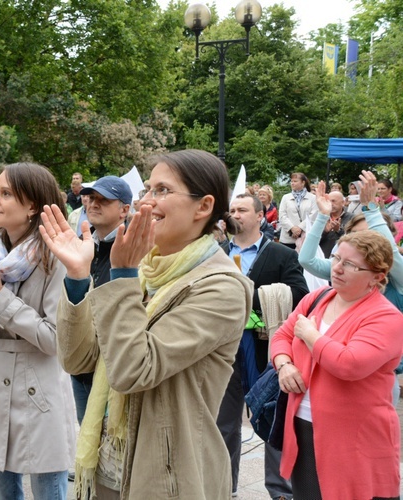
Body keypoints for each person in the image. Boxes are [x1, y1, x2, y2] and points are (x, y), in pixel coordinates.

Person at [41, 149, 253, 499]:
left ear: (203, 207)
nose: (147, 203)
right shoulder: (147, 269)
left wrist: (122, 274)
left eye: (163, 191)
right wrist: (78, 278)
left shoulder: (222, 286)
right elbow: (78, 359)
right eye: (148, 190)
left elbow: (133, 370)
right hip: (107, 464)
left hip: (166, 476)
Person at [0, 162, 74, 500]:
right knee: (0, 493)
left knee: (48, 491)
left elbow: (55, 339)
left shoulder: (57, 259)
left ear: (32, 207)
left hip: (38, 391)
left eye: (6, 193)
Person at [271, 230, 403, 499]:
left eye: (350, 265)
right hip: (303, 424)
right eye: (336, 258)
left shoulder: (387, 317)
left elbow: (349, 364)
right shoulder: (318, 298)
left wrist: (310, 334)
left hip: (355, 438)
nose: (337, 268)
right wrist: (284, 364)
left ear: (377, 276)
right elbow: (282, 335)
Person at [217, 194, 308, 499]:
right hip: (222, 350)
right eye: (231, 210)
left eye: (242, 209)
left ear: (259, 216)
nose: (235, 215)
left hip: (265, 351)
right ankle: (222, 486)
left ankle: (280, 491)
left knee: (272, 419)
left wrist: (249, 296)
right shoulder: (216, 253)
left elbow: (299, 295)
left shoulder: (282, 255)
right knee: (222, 424)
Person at [70, 176, 132, 425]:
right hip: (82, 365)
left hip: (115, 367)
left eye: (103, 200)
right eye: (91, 198)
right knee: (88, 439)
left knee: (113, 447)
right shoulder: (81, 246)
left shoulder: (134, 247)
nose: (93, 204)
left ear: (124, 210)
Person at [299, 171, 403, 311]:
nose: (359, 242)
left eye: (368, 235)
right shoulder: (343, 267)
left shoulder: (398, 279)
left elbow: (392, 254)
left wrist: (371, 209)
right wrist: (323, 215)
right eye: (354, 234)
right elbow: (307, 260)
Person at [278, 172, 317, 248]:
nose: (292, 183)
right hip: (288, 238)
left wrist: (300, 228)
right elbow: (282, 216)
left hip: (305, 238)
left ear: (303, 183)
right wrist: (292, 228)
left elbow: (313, 216)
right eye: (291, 181)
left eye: (295, 181)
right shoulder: (285, 197)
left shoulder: (313, 198)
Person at [317, 189, 353, 258]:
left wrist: (339, 230)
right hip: (323, 258)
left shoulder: (352, 218)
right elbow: (314, 241)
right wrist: (325, 232)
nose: (331, 204)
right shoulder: (322, 218)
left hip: (342, 258)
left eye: (333, 201)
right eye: (329, 201)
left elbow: (353, 240)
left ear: (342, 203)